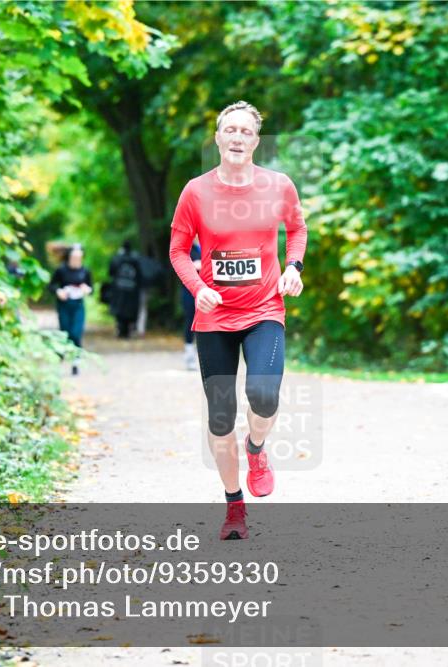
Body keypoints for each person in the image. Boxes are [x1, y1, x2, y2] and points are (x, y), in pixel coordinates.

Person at [168, 101, 307, 540]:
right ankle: (234, 508)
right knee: (221, 417)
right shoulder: (195, 191)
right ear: (217, 138)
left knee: (263, 395)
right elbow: (177, 250)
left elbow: (297, 230)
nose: (237, 137)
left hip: (265, 308)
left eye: (246, 131)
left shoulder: (278, 186)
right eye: (230, 130)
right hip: (214, 317)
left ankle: (257, 448)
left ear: (256, 141)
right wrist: (198, 288)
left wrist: (294, 266)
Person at [49, 243, 93, 375]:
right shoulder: (61, 270)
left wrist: (87, 290)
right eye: (74, 258)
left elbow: (91, 289)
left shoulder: (85, 271)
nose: (76, 260)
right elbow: (52, 286)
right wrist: (58, 291)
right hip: (64, 304)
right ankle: (62, 353)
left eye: (79, 258)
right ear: (69, 257)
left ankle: (76, 361)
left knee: (76, 333)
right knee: (65, 332)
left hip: (78, 305)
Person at [108, 241, 143, 339]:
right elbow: (140, 276)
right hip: (132, 291)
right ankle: (126, 332)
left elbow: (110, 272)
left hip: (119, 290)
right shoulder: (135, 259)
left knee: (119, 311)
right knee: (129, 311)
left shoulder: (117, 259)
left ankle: (121, 330)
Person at [181, 239, 202, 370]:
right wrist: (194, 266)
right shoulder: (187, 248)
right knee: (190, 321)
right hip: (190, 291)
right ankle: (189, 355)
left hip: (209, 289)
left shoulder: (208, 245)